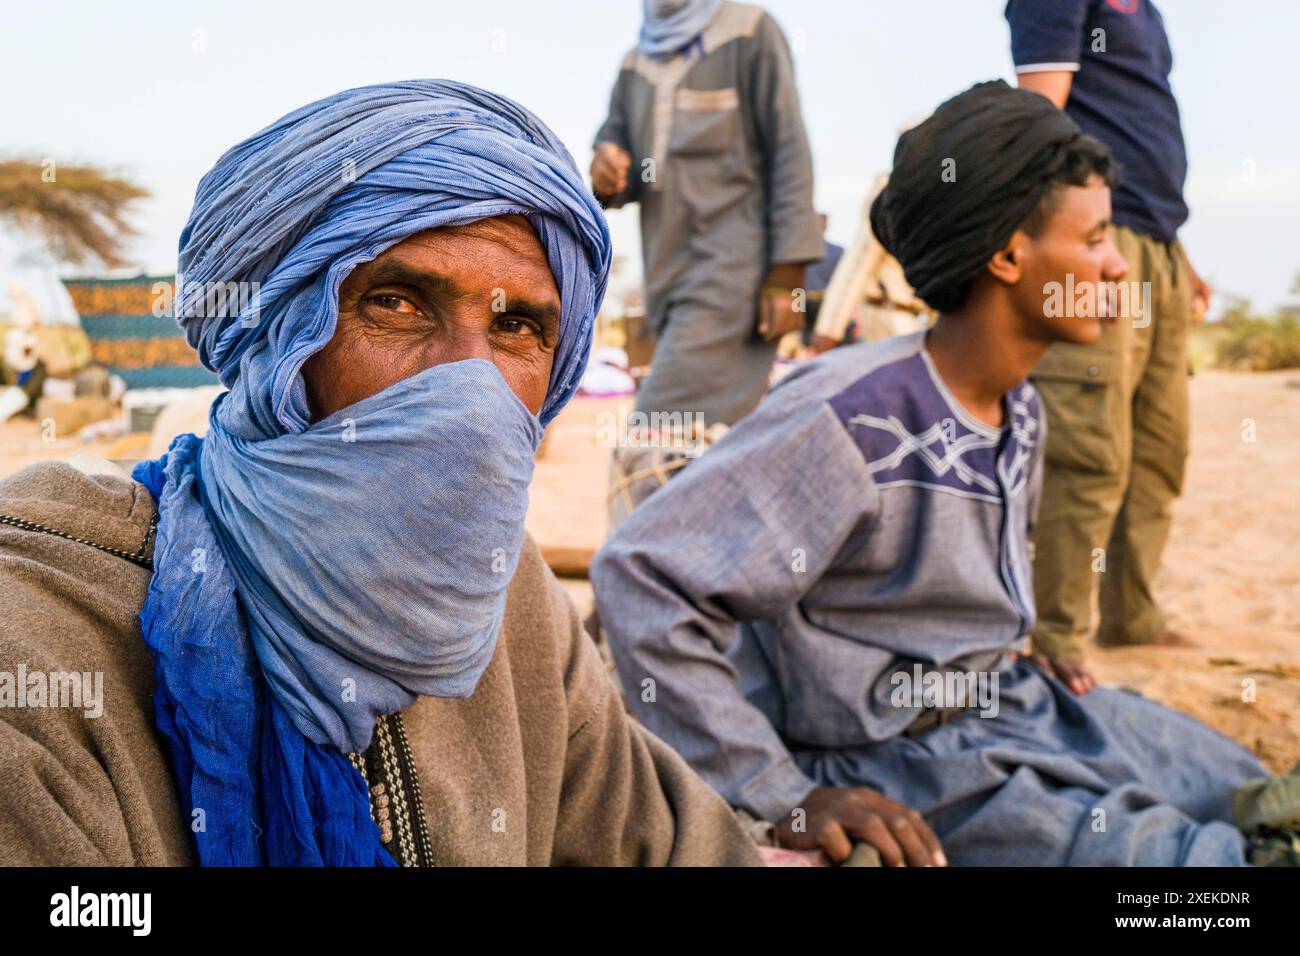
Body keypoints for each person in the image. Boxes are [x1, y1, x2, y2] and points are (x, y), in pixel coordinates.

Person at [0, 80, 761, 867]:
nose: (472, 388)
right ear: (279, 348)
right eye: (397, 304)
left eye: (516, 325)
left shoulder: (511, 597)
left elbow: (666, 845)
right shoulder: (45, 633)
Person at [591, 81, 1269, 866]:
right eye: (1094, 240)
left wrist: (1010, 643)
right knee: (1181, 868)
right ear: (1011, 254)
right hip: (898, 758)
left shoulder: (1023, 410)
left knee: (1240, 785)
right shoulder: (851, 418)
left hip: (1012, 706)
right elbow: (643, 572)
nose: (1117, 267)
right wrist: (780, 791)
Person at [1006, 0, 1212, 681]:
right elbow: (1041, 126)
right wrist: (1081, 249)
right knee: (1088, 450)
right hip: (1100, 237)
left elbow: (1138, 129)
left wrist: (1174, 257)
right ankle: (1055, 642)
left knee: (1159, 449)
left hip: (1155, 243)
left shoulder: (1146, 10)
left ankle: (1134, 616)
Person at [591, 0, 823, 429]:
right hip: (665, 282)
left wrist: (788, 277)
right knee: (708, 449)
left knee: (657, 441)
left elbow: (789, 152)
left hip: (734, 278)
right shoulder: (634, 63)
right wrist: (606, 170)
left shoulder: (750, 31)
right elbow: (615, 155)